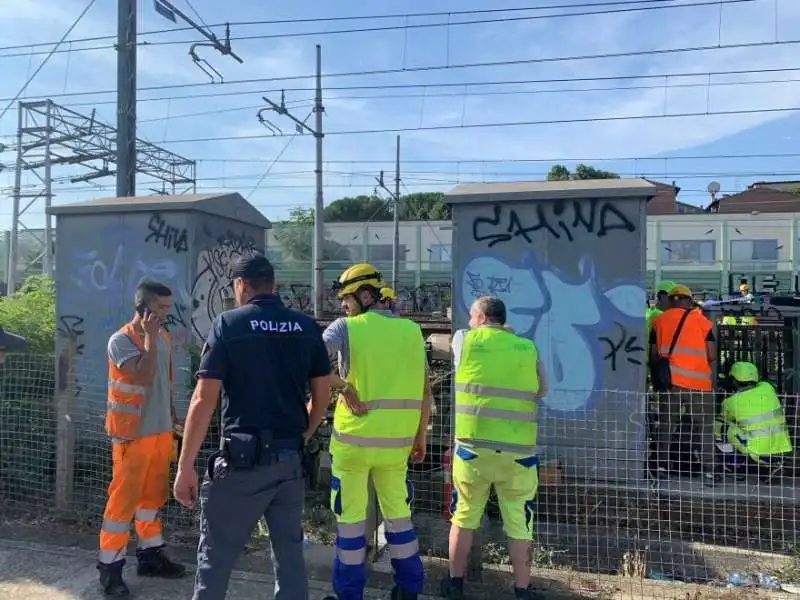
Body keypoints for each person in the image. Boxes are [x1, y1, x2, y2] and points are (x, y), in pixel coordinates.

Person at [173, 253, 332, 600]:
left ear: (242, 285)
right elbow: (323, 392)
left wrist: (185, 465)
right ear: (273, 284)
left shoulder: (229, 324)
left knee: (216, 557)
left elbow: (204, 398)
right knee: (290, 558)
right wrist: (304, 432)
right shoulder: (305, 327)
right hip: (289, 462)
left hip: (242, 464)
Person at [321, 263, 431, 600]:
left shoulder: (346, 328)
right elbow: (426, 390)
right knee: (399, 517)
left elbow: (305, 361)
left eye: (348, 298)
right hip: (397, 445)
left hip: (353, 444)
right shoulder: (413, 331)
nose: (343, 306)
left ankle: (349, 595)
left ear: (366, 295)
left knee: (352, 522)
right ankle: (409, 591)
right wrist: (420, 437)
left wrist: (342, 386)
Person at [441, 297, 546, 600]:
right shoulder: (527, 348)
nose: (470, 321)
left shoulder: (466, 341)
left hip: (473, 450)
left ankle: (455, 584)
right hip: (519, 453)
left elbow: (460, 337)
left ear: (483, 318)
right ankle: (523, 590)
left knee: (464, 516)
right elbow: (542, 389)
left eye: (473, 316)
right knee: (520, 523)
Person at [99, 281, 185, 598]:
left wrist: (173, 415)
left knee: (151, 500)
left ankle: (150, 556)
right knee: (121, 504)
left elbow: (164, 380)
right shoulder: (121, 340)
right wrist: (148, 337)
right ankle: (109, 570)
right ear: (143, 307)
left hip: (160, 430)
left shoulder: (161, 337)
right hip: (132, 435)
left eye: (167, 308)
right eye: (160, 308)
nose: (165, 315)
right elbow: (144, 374)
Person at [650, 284, 717, 485]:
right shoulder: (702, 322)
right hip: (699, 384)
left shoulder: (659, 321)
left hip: (671, 383)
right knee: (704, 427)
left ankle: (662, 467)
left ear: (671, 300)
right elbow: (712, 354)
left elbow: (653, 355)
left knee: (666, 426)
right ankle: (709, 472)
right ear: (690, 300)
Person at [715, 361, 792, 482]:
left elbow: (725, 418)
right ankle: (774, 462)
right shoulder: (767, 388)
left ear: (734, 380)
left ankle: (733, 463)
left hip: (759, 451)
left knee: (720, 425)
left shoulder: (730, 402)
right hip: (782, 447)